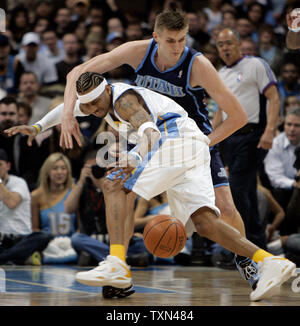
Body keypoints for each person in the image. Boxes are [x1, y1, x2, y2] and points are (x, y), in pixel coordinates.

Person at [5, 73, 297, 302]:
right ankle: (268, 260)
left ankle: (117, 262)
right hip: (193, 146)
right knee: (206, 223)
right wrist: (37, 127)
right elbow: (69, 110)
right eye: (88, 106)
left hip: (173, 139)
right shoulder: (97, 99)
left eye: (96, 104)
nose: (93, 111)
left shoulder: (123, 99)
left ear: (107, 90)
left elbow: (148, 128)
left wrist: (134, 157)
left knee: (114, 185)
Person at [59, 8, 263, 291]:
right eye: (170, 40)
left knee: (225, 208)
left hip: (189, 140)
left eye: (182, 39)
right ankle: (120, 270)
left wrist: (207, 142)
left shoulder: (198, 64)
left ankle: (248, 260)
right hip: (147, 135)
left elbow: (239, 117)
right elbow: (77, 72)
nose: (177, 47)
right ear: (156, 37)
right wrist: (68, 112)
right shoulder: (136, 52)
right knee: (120, 191)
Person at [215, 28, 280, 250]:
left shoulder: (255, 65)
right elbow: (218, 112)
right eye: (220, 44)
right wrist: (209, 140)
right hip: (229, 139)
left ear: (239, 43)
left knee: (235, 190)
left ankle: (241, 247)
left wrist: (270, 129)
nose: (225, 48)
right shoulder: (220, 73)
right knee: (248, 191)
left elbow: (273, 97)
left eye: (229, 43)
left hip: (253, 135)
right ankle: (257, 245)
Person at [0, 148, 51, 265]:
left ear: (8, 166)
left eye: (0, 165)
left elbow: (11, 203)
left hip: (22, 238)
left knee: (43, 236)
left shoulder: (19, 182)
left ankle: (4, 258)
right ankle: (15, 258)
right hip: (2, 240)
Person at [30, 152, 77, 264]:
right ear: (47, 172)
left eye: (63, 168)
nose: (59, 172)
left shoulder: (74, 192)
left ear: (68, 172)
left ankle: (44, 259)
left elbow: (81, 227)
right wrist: (50, 242)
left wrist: (71, 242)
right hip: (48, 245)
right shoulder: (36, 196)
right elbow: (35, 229)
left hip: (71, 244)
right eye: (55, 168)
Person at [264, 107, 300, 231]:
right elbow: (275, 177)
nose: (292, 129)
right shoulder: (275, 144)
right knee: (283, 192)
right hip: (283, 190)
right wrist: (295, 184)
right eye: (288, 124)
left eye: (297, 125)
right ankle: (285, 235)